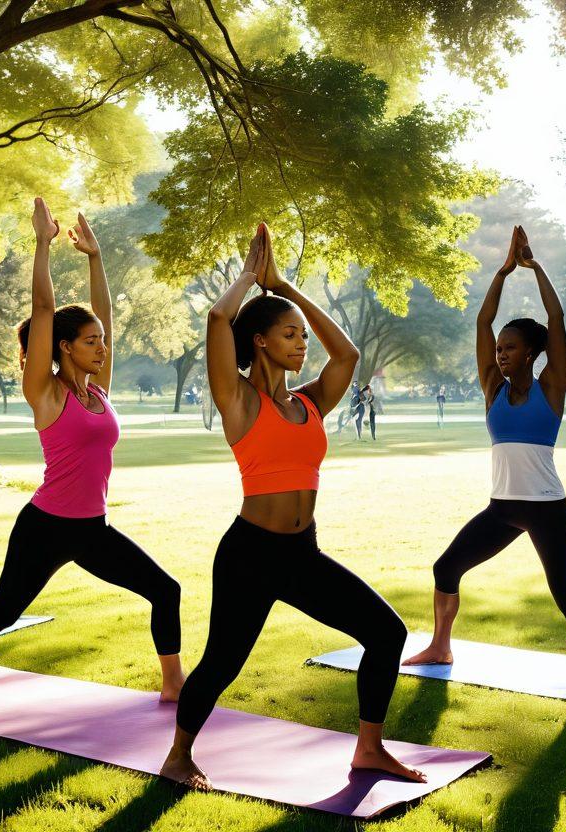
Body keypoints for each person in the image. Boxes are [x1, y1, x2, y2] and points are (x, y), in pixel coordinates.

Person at [160, 223, 420, 790]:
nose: (303, 344)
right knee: (222, 663)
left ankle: (369, 749)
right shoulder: (238, 399)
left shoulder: (311, 402)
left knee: (386, 633)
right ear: (259, 341)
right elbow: (218, 320)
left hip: (302, 554)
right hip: (250, 555)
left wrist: (286, 288)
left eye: (303, 335)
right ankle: (178, 756)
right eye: (289, 334)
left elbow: (347, 354)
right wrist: (249, 278)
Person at [0, 198, 184, 712]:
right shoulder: (46, 392)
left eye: (102, 341)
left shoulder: (98, 390)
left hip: (93, 528)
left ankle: (174, 685)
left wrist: (96, 259)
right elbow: (43, 311)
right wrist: (42, 245)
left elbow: (106, 317)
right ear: (65, 347)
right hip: (46, 526)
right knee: (7, 607)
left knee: (166, 590)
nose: (102, 348)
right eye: (91, 342)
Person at [402, 226, 566, 702]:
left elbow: (556, 318)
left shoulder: (552, 386)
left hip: (546, 507)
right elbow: (482, 322)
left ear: (531, 352)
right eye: (499, 349)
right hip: (502, 508)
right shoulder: (493, 388)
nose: (500, 353)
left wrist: (534, 268)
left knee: (565, 591)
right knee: (446, 567)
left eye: (509, 347)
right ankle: (440, 647)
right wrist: (502, 272)